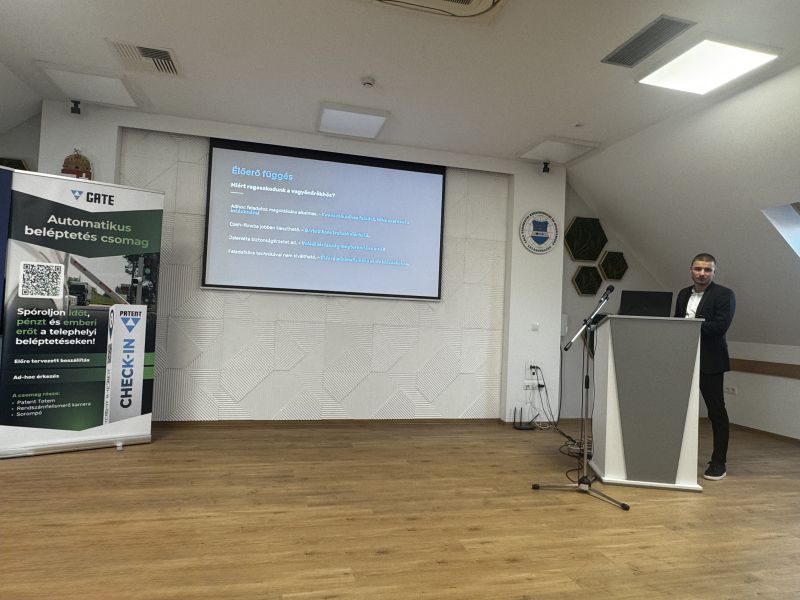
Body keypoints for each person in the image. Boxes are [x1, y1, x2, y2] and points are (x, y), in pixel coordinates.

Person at [674, 253, 736, 481]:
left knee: (716, 412)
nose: (702, 273)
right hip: (684, 358)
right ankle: (676, 457)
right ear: (690, 270)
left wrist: (689, 326)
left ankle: (719, 462)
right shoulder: (682, 294)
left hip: (711, 361)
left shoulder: (725, 294)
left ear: (714, 272)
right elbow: (676, 323)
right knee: (678, 409)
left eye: (707, 270)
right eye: (698, 269)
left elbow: (719, 327)